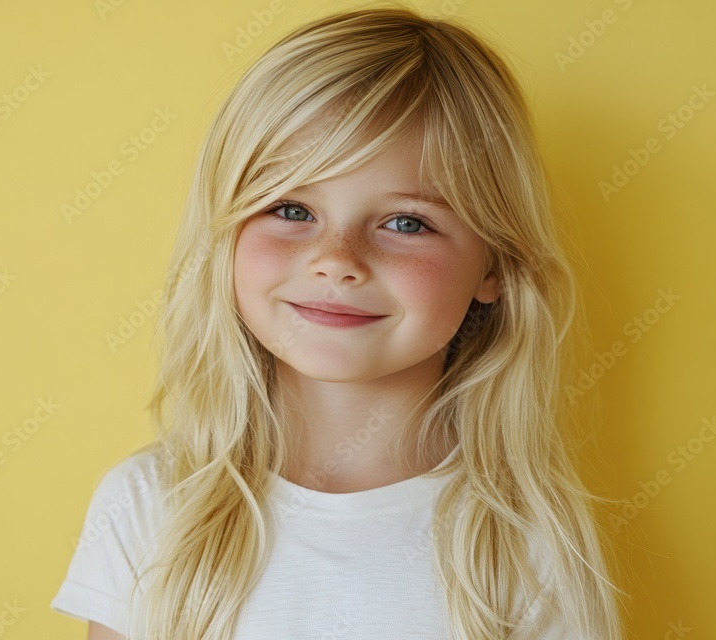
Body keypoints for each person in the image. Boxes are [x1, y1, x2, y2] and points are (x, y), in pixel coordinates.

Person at [50, 5, 626, 639]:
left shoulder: (524, 543)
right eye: (292, 208)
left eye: (406, 223)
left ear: (493, 266)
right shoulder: (149, 507)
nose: (336, 261)